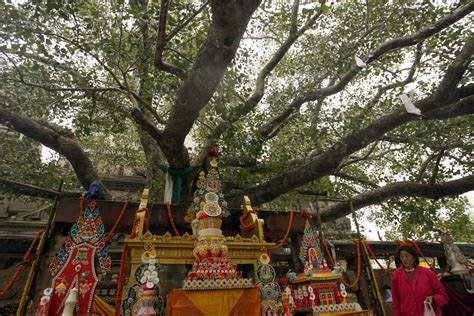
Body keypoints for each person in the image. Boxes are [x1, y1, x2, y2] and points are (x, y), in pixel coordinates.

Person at [391, 245, 448, 316]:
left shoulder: (428, 273)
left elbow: (443, 296)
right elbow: (396, 303)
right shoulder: (396, 275)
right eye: (401, 256)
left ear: (414, 257)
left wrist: (433, 299)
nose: (404, 259)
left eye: (407, 256)